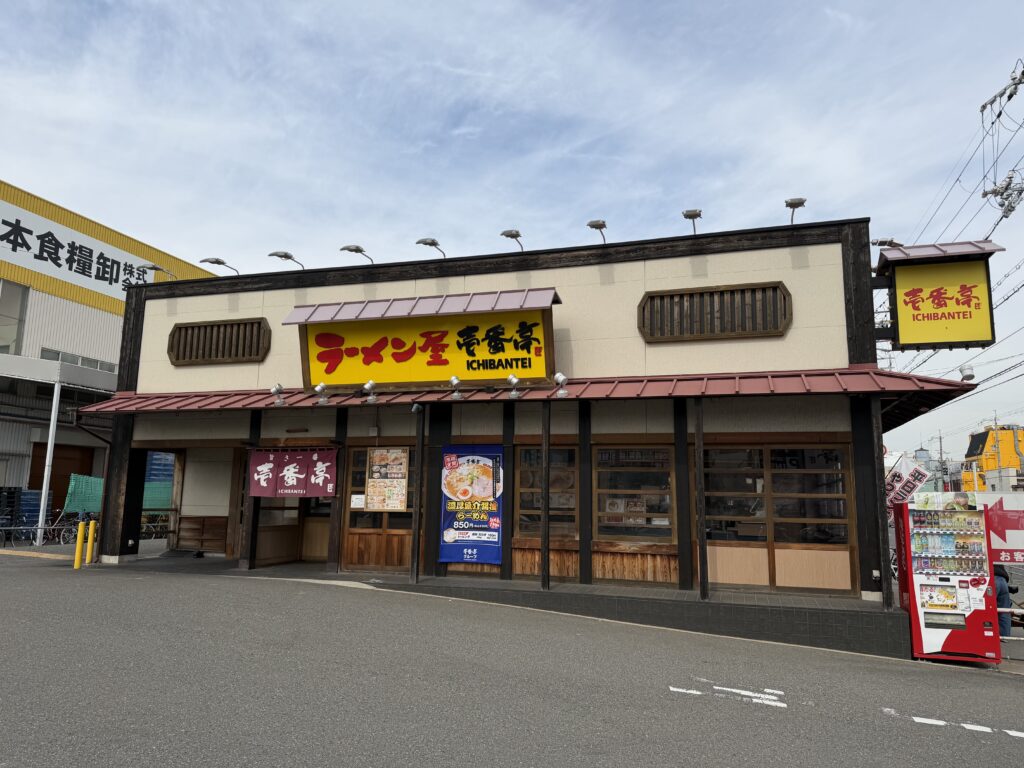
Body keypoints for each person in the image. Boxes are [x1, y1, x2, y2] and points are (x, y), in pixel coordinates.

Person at [994, 563, 1012, 639]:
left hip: (992, 579)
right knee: (1004, 610)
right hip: (1003, 580)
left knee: (986, 606)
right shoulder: (997, 557)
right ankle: (1004, 636)